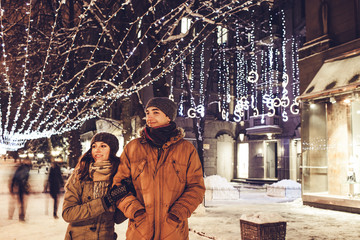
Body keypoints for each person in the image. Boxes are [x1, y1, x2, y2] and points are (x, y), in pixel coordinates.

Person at [113, 97, 205, 240]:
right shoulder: (133, 147)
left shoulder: (186, 149)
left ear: (168, 117)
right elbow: (118, 186)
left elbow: (196, 187)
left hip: (173, 231)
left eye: (155, 112)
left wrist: (177, 214)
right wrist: (136, 212)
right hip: (140, 231)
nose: (149, 117)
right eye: (148, 112)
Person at [62, 132, 135, 240]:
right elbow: (68, 214)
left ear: (112, 150)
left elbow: (117, 219)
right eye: (94, 146)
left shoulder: (117, 177)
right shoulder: (80, 175)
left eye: (103, 146)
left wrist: (129, 193)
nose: (97, 150)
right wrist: (104, 202)